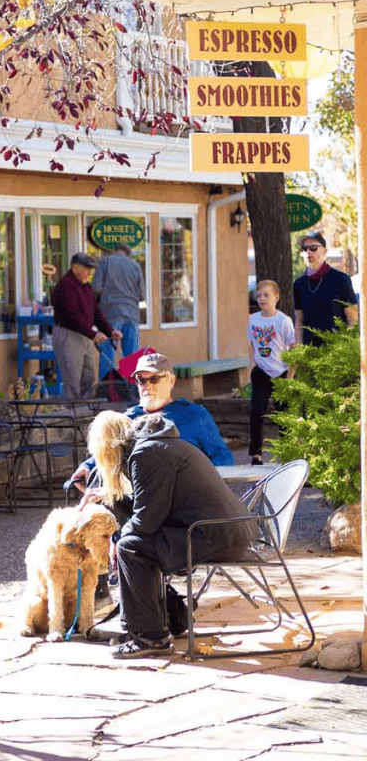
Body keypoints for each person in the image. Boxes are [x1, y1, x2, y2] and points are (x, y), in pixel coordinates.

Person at [82, 410, 254, 659]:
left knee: (131, 547)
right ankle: (139, 628)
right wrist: (114, 496)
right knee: (134, 543)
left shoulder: (145, 454)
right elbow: (153, 505)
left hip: (214, 536)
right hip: (219, 532)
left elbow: (147, 520)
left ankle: (150, 637)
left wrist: (116, 540)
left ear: (108, 445)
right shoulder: (154, 447)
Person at [69, 352, 234, 488]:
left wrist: (199, 482)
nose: (147, 385)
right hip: (136, 499)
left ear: (171, 381)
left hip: (184, 497)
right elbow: (107, 451)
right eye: (141, 380)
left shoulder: (194, 415)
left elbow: (222, 456)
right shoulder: (127, 419)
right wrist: (87, 466)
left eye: (154, 379)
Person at [51, 252, 118, 400]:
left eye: (90, 269)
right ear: (75, 268)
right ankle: (72, 412)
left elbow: (95, 312)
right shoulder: (65, 286)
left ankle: (85, 411)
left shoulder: (86, 287)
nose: (89, 272)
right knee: (73, 381)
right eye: (86, 269)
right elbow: (71, 317)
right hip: (69, 335)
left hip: (85, 336)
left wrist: (109, 331)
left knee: (88, 378)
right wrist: (93, 334)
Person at [247, 279, 296, 465]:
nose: (261, 299)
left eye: (266, 295)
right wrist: (254, 364)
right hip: (261, 373)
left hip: (282, 373)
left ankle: (286, 453)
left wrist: (289, 378)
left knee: (283, 415)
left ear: (276, 297)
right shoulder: (253, 319)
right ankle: (256, 453)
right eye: (259, 295)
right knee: (256, 413)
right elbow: (251, 344)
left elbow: (294, 350)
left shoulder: (283, 321)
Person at [293, 231, 357, 347]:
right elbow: (299, 322)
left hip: (336, 350)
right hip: (309, 351)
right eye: (304, 249)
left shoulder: (341, 279)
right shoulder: (299, 284)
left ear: (325, 250)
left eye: (313, 248)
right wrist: (299, 349)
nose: (308, 252)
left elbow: (352, 319)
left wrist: (345, 348)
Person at [91, 244, 146, 359]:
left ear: (115, 250)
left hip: (110, 312)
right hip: (132, 314)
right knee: (132, 357)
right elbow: (142, 295)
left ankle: (108, 372)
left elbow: (96, 288)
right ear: (128, 254)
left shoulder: (106, 261)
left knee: (108, 354)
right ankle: (130, 371)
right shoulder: (135, 266)